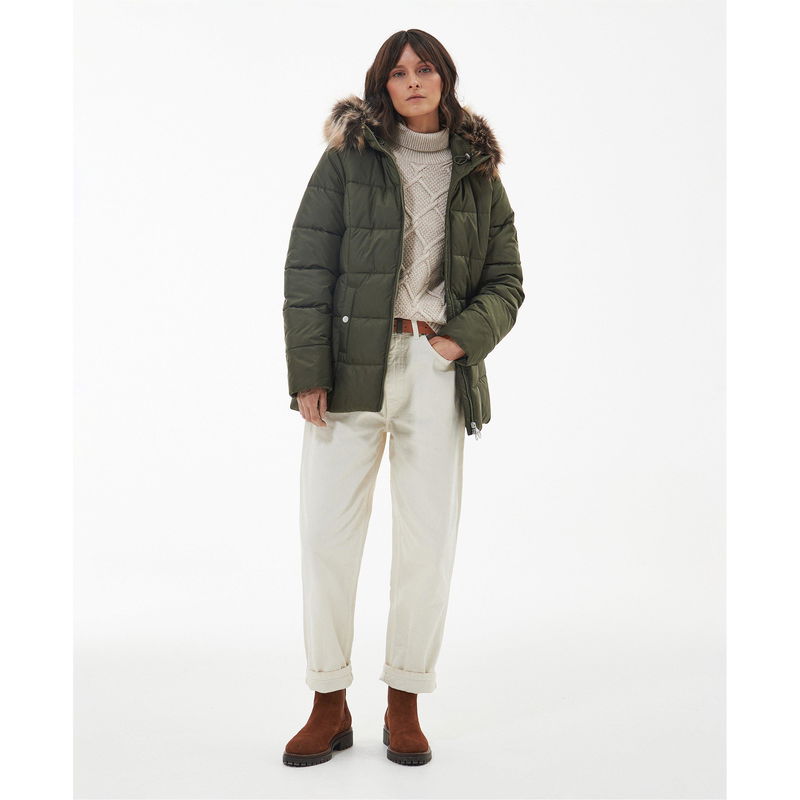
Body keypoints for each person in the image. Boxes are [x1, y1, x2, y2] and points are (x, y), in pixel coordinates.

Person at [281, 29, 524, 767]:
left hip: (435, 367)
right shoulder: (348, 160)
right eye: (397, 72)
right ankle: (328, 702)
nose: (412, 81)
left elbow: (506, 282)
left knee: (427, 542)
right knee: (326, 538)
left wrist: (455, 343)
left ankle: (404, 702)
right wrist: (309, 372)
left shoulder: (478, 171)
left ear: (444, 78)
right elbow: (308, 267)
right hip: (349, 366)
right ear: (381, 85)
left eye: (424, 69)